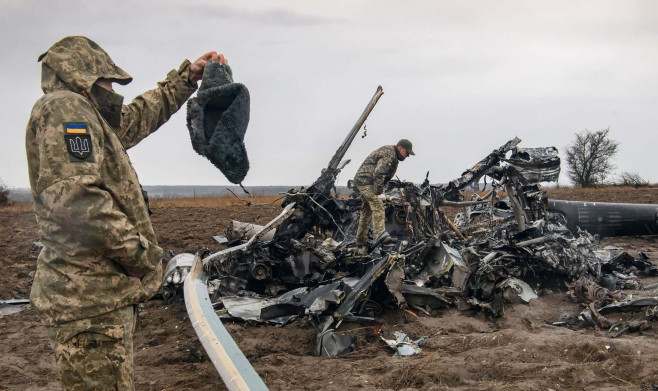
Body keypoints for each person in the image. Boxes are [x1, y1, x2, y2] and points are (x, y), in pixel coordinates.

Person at [25, 36, 226, 391]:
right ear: (83, 75)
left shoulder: (86, 114)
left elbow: (132, 120)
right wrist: (142, 256)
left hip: (95, 297)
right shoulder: (65, 110)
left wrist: (186, 80)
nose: (111, 88)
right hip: (89, 300)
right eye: (107, 79)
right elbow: (79, 201)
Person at [352, 139, 415, 254]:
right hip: (366, 181)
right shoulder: (390, 154)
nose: (407, 156)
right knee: (377, 204)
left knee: (366, 211)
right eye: (407, 152)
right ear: (400, 148)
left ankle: (361, 242)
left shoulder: (393, 155)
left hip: (365, 180)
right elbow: (379, 174)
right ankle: (380, 236)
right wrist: (379, 192)